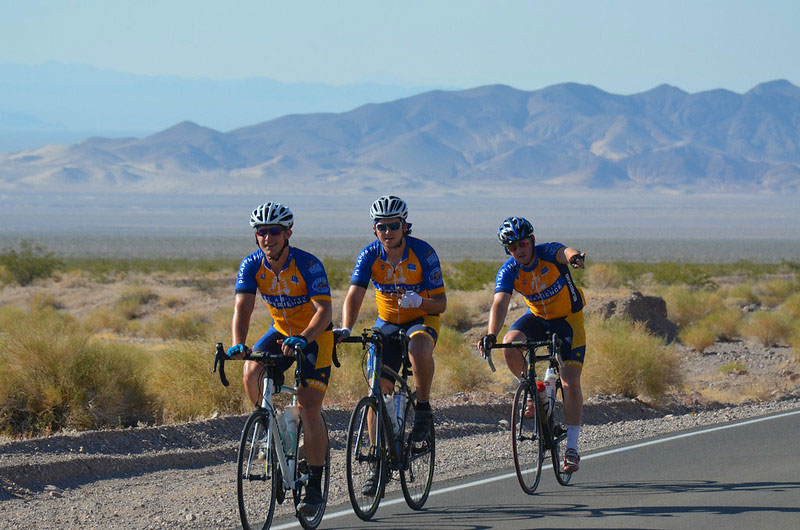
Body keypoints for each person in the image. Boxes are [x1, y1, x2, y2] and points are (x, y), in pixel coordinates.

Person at [227, 201, 333, 515]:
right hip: (280, 331)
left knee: (309, 406)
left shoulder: (307, 263)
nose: (267, 237)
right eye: (262, 231)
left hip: (315, 335)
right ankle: (270, 427)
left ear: (287, 233)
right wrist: (238, 343)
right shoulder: (251, 265)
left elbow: (324, 312)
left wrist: (305, 338)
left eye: (274, 231)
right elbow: (242, 307)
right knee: (250, 372)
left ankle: (314, 486)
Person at [336, 195, 446, 494]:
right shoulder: (369, 255)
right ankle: (377, 461)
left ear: (405, 226)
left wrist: (420, 301)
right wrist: (346, 326)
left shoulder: (423, 252)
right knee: (376, 387)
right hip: (387, 322)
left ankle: (422, 406)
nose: (388, 231)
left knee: (418, 349)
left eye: (394, 226)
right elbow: (355, 294)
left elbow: (441, 304)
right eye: (381, 226)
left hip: (421, 317)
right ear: (375, 229)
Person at [477, 216, 587, 474]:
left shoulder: (547, 252)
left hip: (568, 320)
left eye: (522, 243)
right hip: (538, 317)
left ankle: (572, 448)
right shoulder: (509, 270)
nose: (519, 250)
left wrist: (573, 258)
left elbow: (565, 251)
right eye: (512, 247)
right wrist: (491, 333)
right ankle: (532, 390)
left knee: (570, 381)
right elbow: (500, 302)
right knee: (509, 343)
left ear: (532, 241)